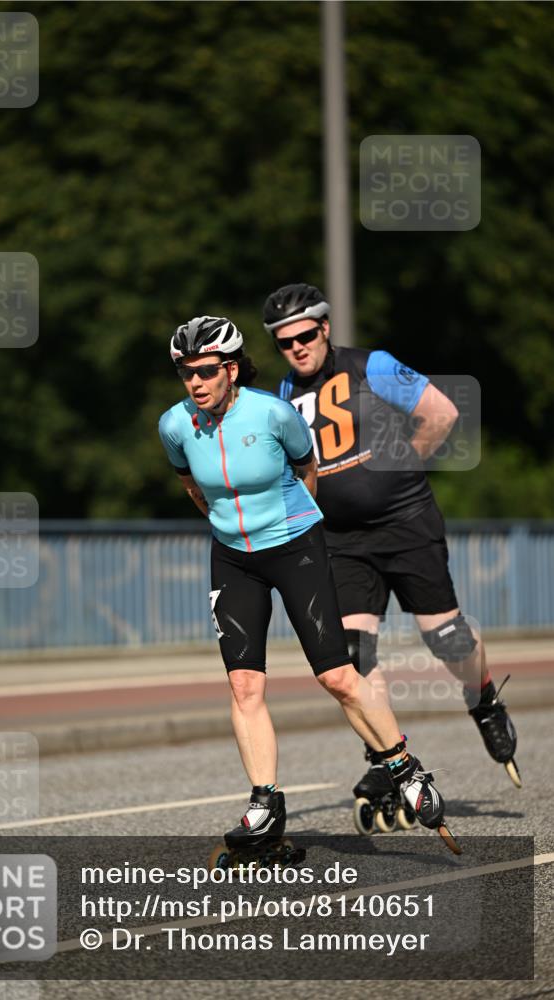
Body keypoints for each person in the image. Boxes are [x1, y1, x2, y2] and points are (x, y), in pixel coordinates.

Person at [158, 315, 459, 854]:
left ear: (230, 369)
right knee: (244, 686)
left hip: (295, 544)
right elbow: (192, 486)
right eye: (185, 373)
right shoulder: (175, 425)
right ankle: (265, 805)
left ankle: (403, 766)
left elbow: (307, 472)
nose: (194, 383)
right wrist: (229, 525)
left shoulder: (274, 412)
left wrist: (291, 522)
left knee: (338, 676)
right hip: (233, 557)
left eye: (204, 371)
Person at [262, 283, 521, 821]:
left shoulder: (370, 365)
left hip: (405, 522)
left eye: (306, 336)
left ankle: (485, 698)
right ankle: (387, 756)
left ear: (325, 328)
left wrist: (402, 465)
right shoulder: (283, 394)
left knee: (447, 638)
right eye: (285, 342)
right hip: (341, 539)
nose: (298, 348)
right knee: (356, 656)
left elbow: (441, 413)